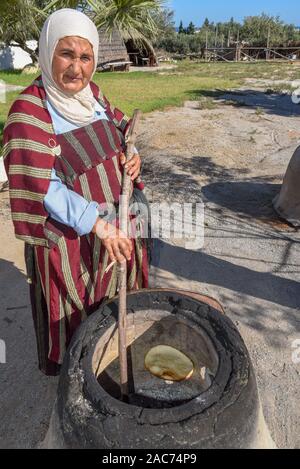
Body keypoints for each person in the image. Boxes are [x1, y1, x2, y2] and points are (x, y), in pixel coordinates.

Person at [2, 9, 149, 376]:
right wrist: (98, 225)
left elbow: (121, 135)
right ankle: (82, 379)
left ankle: (117, 357)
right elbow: (41, 186)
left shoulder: (93, 97)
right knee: (77, 309)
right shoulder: (28, 113)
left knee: (116, 297)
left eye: (86, 57)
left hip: (117, 224)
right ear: (48, 51)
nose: (77, 68)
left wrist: (132, 159)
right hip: (71, 241)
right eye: (67, 54)